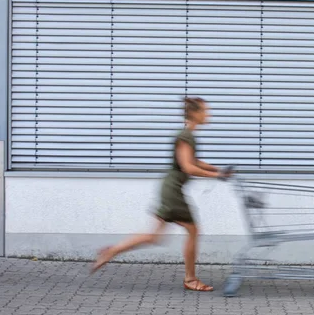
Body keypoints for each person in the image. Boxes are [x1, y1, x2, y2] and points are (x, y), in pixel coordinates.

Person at [91, 97, 230, 292]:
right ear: (195, 113)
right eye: (205, 111)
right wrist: (216, 175)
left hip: (170, 189)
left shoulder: (187, 135)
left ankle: (111, 251)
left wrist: (218, 170)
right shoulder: (185, 136)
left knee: (154, 236)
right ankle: (190, 279)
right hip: (173, 191)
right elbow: (188, 167)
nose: (208, 115)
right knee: (193, 230)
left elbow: (195, 161)